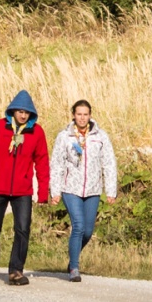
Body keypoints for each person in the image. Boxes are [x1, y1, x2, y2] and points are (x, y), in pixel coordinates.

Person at [0, 90, 50, 286]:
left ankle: (16, 270)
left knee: (23, 229)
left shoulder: (37, 132)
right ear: (12, 111)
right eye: (20, 111)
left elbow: (42, 162)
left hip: (22, 190)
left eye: (27, 112)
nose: (23, 115)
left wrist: (43, 191)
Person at [49, 100, 118, 282]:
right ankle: (74, 268)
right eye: (79, 114)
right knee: (78, 225)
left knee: (87, 231)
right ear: (73, 115)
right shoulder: (65, 136)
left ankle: (73, 257)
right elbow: (56, 164)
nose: (82, 118)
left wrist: (111, 190)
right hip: (71, 188)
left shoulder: (100, 136)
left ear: (90, 115)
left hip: (93, 190)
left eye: (85, 114)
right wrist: (55, 191)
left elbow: (109, 163)